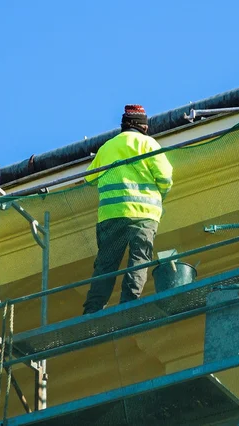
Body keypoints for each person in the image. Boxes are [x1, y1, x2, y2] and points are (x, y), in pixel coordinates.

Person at [83, 105, 173, 314]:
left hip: (111, 216)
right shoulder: (148, 144)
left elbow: (89, 178)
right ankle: (129, 304)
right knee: (139, 260)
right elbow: (165, 178)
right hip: (143, 214)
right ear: (141, 126)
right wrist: (161, 195)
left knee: (106, 266)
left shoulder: (107, 148)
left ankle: (92, 310)